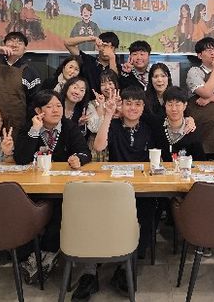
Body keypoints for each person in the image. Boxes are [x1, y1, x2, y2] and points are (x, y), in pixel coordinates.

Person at [14, 90, 92, 284]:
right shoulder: (29, 128)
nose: (56, 110)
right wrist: (35, 130)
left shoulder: (69, 127)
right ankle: (32, 256)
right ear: (38, 110)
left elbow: (85, 152)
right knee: (23, 211)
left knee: (61, 210)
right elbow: (21, 159)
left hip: (62, 189)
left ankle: (46, 255)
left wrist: (78, 159)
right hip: (34, 188)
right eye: (49, 106)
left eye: (58, 105)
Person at [93, 86, 157, 291]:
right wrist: (108, 114)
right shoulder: (114, 126)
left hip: (143, 187)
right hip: (116, 187)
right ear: (122, 105)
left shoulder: (149, 128)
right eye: (128, 103)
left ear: (143, 107)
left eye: (138, 104)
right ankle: (105, 259)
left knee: (148, 210)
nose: (133, 108)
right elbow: (99, 146)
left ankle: (126, 266)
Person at [153, 86, 206, 161]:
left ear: (185, 105)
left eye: (177, 105)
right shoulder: (157, 128)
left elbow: (200, 161)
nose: (174, 109)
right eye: (170, 105)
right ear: (165, 105)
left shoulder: (193, 131)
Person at [60, 76, 101, 160]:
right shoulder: (57, 105)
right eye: (75, 87)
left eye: (82, 90)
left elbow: (81, 142)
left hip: (74, 157)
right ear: (67, 87)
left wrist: (80, 126)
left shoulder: (84, 110)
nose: (77, 92)